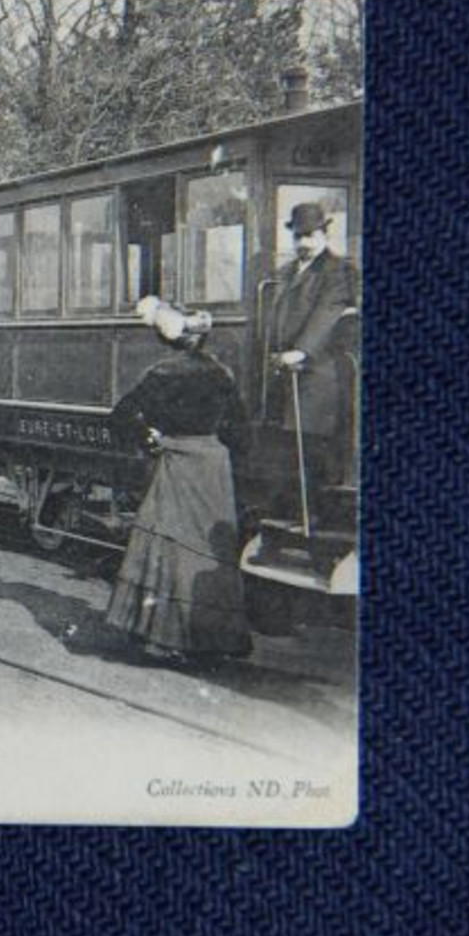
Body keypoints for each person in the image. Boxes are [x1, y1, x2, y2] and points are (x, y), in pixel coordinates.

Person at [104, 297, 252, 664]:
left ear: (169, 339)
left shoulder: (164, 374)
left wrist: (150, 438)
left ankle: (164, 637)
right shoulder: (223, 375)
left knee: (169, 546)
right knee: (209, 552)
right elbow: (240, 431)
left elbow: (121, 416)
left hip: (179, 463)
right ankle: (218, 639)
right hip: (213, 469)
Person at [267, 202, 361, 494]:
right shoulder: (286, 271)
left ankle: (319, 512)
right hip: (288, 368)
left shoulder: (339, 270)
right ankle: (299, 510)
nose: (304, 243)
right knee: (293, 446)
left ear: (324, 235)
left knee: (316, 443)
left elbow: (327, 310)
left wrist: (302, 351)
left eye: (310, 236)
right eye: (298, 236)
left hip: (320, 368)